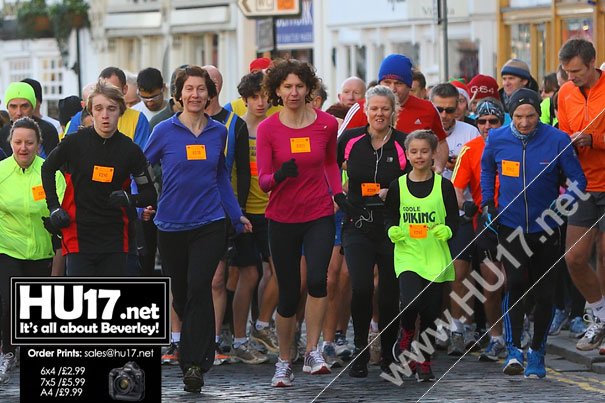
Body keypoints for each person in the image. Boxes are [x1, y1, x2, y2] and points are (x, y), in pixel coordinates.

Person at [143, 66, 251, 393]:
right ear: (179, 94)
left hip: (210, 222)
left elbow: (220, 177)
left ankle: (193, 363)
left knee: (201, 286)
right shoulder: (163, 130)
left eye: (201, 89)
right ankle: (193, 351)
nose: (195, 95)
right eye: (189, 89)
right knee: (182, 293)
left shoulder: (220, 132)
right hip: (171, 224)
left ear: (209, 94)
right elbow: (141, 168)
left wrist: (236, 216)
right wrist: (141, 204)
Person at [481, 88, 586, 378]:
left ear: (539, 114)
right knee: (514, 282)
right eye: (518, 117)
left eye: (530, 116)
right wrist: (488, 201)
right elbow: (487, 169)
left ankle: (537, 352)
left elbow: (579, 179)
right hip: (511, 224)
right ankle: (514, 351)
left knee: (544, 293)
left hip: (547, 226)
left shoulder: (557, 139)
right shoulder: (498, 138)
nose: (524, 123)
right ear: (509, 116)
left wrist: (564, 203)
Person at [256, 59, 342, 387]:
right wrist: (278, 175)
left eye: (299, 86)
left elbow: (331, 163)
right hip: (282, 217)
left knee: (319, 280)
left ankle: (312, 351)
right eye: (287, 87)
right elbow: (263, 180)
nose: (293, 93)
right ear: (277, 91)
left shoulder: (326, 124)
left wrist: (338, 194)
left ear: (309, 89)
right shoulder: (268, 128)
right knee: (290, 293)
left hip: (319, 212)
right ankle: (283, 360)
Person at [41, 81, 157, 276]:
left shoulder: (130, 150)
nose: (105, 115)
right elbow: (47, 168)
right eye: (99, 108)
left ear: (120, 111)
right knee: (83, 300)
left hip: (115, 237)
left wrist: (130, 199)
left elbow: (149, 194)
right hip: (78, 235)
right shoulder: (73, 142)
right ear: (90, 111)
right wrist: (53, 207)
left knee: (109, 299)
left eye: (111, 109)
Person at [337, 85, 410, 378]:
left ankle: (389, 350)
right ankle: (360, 349)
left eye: (385, 108)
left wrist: (392, 192)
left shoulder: (404, 142)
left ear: (394, 112)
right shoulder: (351, 140)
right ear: (366, 110)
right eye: (374, 108)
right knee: (362, 287)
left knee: (390, 293)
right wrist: (341, 200)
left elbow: (415, 179)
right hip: (357, 225)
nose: (379, 114)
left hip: (392, 227)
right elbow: (328, 171)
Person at [384, 129, 459, 382]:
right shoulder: (398, 185)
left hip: (435, 255)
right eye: (414, 152)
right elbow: (390, 215)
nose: (419, 156)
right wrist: (392, 229)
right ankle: (405, 335)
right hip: (408, 253)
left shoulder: (444, 186)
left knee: (430, 311)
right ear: (407, 154)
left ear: (433, 154)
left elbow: (453, 221)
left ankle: (424, 359)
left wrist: (446, 229)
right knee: (411, 301)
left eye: (424, 151)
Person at [0, 117, 66, 384]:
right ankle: (7, 351)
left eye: (29, 142)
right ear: (10, 143)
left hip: (42, 251)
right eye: (18, 142)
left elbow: (62, 216)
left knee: (35, 306)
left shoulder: (51, 173)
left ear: (39, 145)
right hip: (7, 248)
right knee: (8, 301)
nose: (23, 148)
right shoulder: (1, 171)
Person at [557, 38, 605, 354]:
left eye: (575, 71)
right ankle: (600, 316)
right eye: (566, 72)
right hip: (583, 185)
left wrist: (593, 138)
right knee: (574, 258)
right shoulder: (565, 93)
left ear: (592, 64)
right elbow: (562, 134)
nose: (570, 78)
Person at [451, 98, 506, 361]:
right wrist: (468, 205)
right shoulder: (471, 148)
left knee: (512, 278)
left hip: (516, 220)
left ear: (502, 121)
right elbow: (456, 188)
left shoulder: (513, 144)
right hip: (481, 220)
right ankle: (463, 328)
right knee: (466, 272)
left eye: (492, 121)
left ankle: (514, 329)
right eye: (481, 122)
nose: (486, 126)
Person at [341, 54, 448, 172]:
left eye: (398, 83)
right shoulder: (360, 107)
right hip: (368, 186)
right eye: (387, 82)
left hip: (413, 184)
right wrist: (360, 171)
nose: (392, 88)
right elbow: (336, 149)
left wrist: (438, 168)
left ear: (409, 85)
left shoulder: (427, 109)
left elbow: (441, 142)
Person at [65, 67, 151, 148]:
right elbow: (67, 152)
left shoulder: (138, 119)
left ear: (125, 89)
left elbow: (141, 157)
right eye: (103, 89)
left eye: (113, 90)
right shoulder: (80, 118)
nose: (107, 94)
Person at [0, 82, 59, 158]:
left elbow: (53, 165)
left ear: (33, 107)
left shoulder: (48, 130)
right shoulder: (3, 133)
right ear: (7, 108)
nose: (19, 112)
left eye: (24, 106)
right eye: (13, 107)